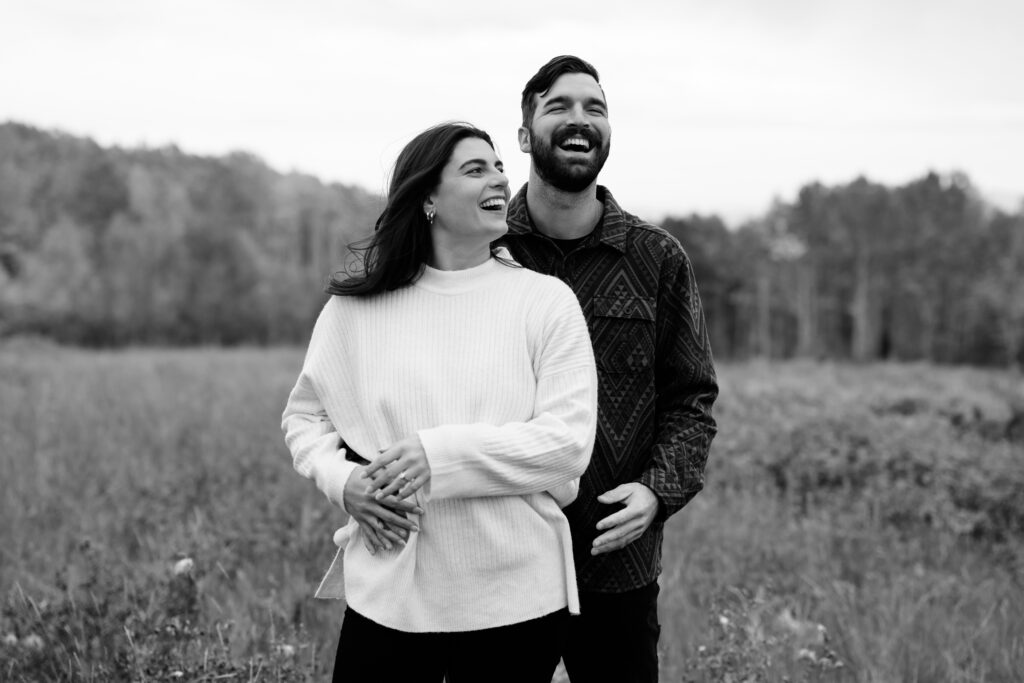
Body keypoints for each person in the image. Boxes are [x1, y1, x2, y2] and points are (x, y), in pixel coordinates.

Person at [280, 121, 598, 683]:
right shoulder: (358, 308)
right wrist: (342, 481)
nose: (498, 177)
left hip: (515, 597)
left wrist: (439, 457)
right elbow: (305, 416)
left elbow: (568, 445)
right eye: (475, 169)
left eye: (499, 166)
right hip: (388, 592)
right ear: (427, 196)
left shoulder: (546, 303)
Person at [498, 56, 719, 682]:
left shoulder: (657, 258)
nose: (580, 119)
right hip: (501, 556)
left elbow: (691, 400)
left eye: (595, 107)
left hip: (616, 565)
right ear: (524, 135)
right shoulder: (485, 254)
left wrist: (657, 490)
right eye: (559, 106)